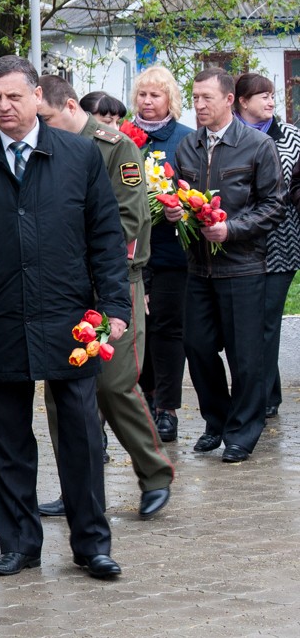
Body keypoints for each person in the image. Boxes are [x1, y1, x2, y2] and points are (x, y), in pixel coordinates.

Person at [0, 55, 129, 580]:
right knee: (5, 437)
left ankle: (91, 544)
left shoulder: (79, 154)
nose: (3, 106)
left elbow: (105, 236)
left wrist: (115, 307)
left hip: (70, 317)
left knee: (81, 436)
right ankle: (19, 543)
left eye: (13, 96)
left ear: (35, 96)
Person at [35, 74, 175, 520]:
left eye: (45, 118)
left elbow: (129, 219)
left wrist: (82, 257)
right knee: (63, 390)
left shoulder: (115, 148)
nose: (40, 127)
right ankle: (77, 487)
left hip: (112, 282)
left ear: (69, 107)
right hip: (62, 286)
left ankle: (155, 474)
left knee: (114, 384)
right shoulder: (43, 148)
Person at [168, 67, 285, 463]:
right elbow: (182, 197)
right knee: (197, 347)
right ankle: (217, 421)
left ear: (229, 100)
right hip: (199, 268)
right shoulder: (188, 146)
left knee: (246, 357)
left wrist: (231, 229)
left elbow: (274, 206)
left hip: (243, 266)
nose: (199, 105)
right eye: (195, 98)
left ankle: (242, 433)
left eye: (207, 98)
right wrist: (174, 213)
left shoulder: (257, 145)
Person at [131, 66, 194, 443]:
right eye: (142, 94)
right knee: (139, 328)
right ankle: (148, 396)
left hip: (171, 252)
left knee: (167, 330)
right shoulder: (125, 138)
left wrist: (180, 208)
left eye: (156, 95)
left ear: (171, 99)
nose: (148, 101)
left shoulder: (186, 139)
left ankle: (167, 408)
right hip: (132, 253)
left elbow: (194, 189)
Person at [233, 73, 300, 420]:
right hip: (237, 243)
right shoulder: (229, 136)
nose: (271, 101)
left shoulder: (291, 137)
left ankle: (261, 397)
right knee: (246, 322)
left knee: (266, 320)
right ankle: (265, 392)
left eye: (272, 95)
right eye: (263, 96)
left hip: (281, 243)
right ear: (242, 101)